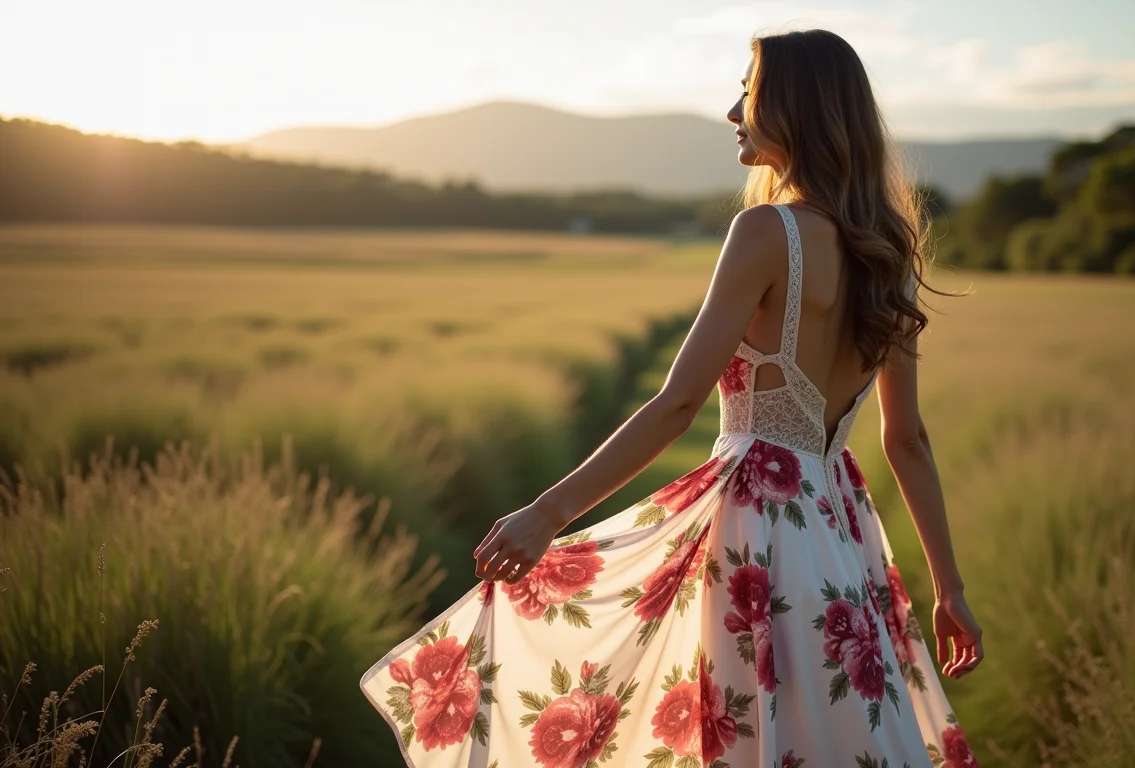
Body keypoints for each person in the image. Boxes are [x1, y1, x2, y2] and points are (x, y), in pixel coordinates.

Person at [361, 26, 983, 768]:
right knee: (832, 734)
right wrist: (948, 591)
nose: (733, 111)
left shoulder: (767, 232)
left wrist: (548, 513)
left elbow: (677, 406)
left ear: (797, 107)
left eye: (749, 93)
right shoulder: (892, 259)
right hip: (841, 535)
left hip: (755, 536)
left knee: (750, 737)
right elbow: (904, 439)